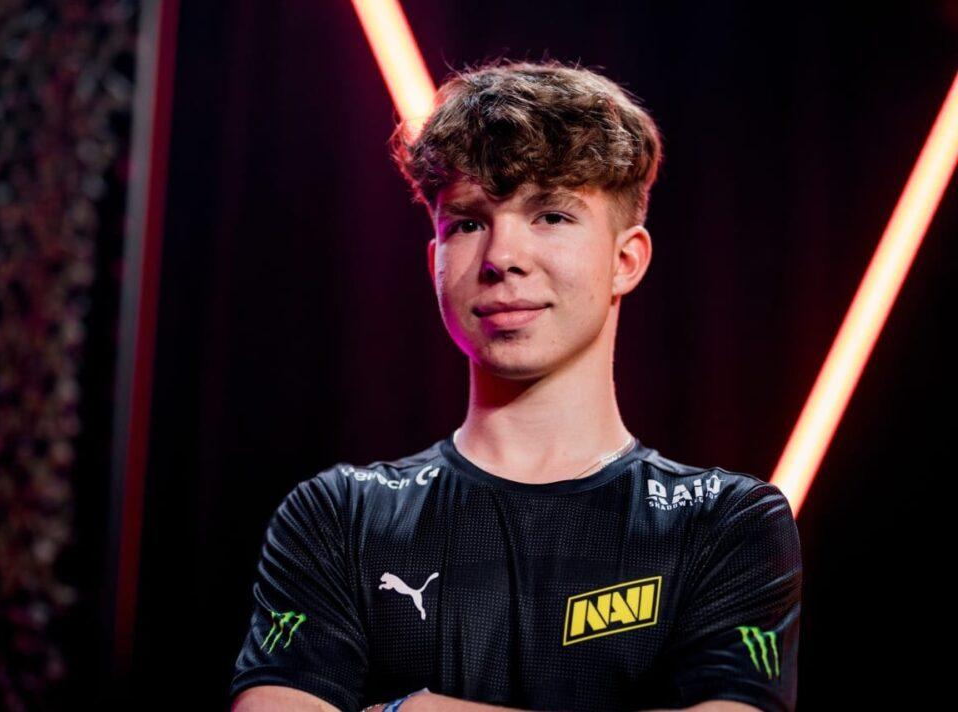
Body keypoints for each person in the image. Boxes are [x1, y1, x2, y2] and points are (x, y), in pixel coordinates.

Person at [229, 58, 802, 712]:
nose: (502, 258)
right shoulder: (337, 516)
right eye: (468, 222)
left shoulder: (727, 524)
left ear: (626, 260)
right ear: (435, 261)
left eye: (550, 215)